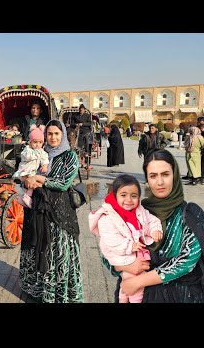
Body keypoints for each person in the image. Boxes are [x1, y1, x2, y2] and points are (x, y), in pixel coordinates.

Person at [112, 149, 204, 303]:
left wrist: (138, 281)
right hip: (139, 296)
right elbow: (110, 251)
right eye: (153, 176)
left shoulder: (190, 213)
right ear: (147, 178)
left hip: (180, 296)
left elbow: (187, 260)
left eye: (165, 174)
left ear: (174, 175)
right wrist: (126, 267)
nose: (160, 182)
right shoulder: (136, 212)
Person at [19, 120, 83, 303]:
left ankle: (59, 293)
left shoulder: (70, 156)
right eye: (50, 134)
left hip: (59, 212)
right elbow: (24, 171)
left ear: (62, 134)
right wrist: (26, 180)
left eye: (56, 134)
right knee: (38, 248)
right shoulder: (39, 153)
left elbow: (63, 183)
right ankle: (37, 289)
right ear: (45, 136)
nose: (53, 137)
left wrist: (40, 178)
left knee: (58, 252)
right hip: (38, 208)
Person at [89, 174, 163, 303]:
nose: (129, 199)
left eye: (134, 196)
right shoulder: (108, 217)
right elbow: (112, 240)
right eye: (123, 195)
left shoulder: (139, 210)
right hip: (120, 254)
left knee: (127, 282)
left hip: (134, 254)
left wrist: (154, 230)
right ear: (115, 195)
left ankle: (123, 298)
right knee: (135, 282)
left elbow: (150, 221)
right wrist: (130, 246)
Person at [13, 125, 49, 208]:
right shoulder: (27, 149)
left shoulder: (42, 152)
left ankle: (27, 196)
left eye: (40, 142)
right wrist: (35, 154)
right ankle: (25, 197)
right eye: (35, 142)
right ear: (30, 142)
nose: (37, 145)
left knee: (35, 184)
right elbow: (25, 156)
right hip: (25, 170)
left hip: (32, 172)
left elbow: (45, 158)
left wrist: (45, 165)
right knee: (31, 182)